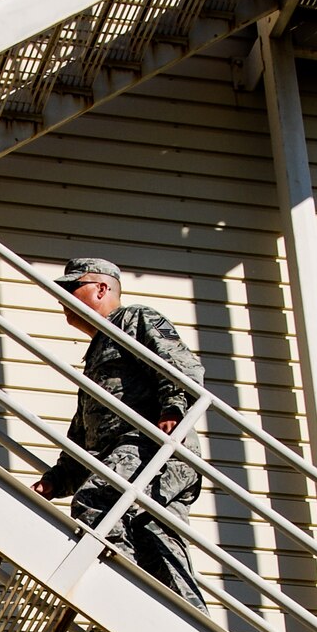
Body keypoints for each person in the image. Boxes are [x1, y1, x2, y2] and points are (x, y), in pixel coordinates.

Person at [33, 256, 207, 610]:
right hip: (126, 454)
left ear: (101, 287)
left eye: (72, 289)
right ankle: (189, 626)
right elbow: (85, 433)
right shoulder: (94, 356)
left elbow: (179, 366)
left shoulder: (134, 319)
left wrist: (172, 408)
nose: (64, 302)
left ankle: (125, 602)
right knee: (157, 541)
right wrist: (57, 479)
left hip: (152, 446)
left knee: (97, 501)